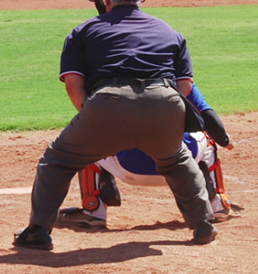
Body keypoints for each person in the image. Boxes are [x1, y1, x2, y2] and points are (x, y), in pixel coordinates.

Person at [13, 0, 218, 250]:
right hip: (167, 101)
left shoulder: (85, 30)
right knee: (176, 161)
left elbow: (74, 85)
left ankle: (37, 232)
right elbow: (184, 87)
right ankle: (203, 226)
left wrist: (95, 115)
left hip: (109, 102)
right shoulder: (168, 30)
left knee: (57, 161)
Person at [59, 83, 242, 228]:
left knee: (87, 139)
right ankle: (217, 204)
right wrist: (225, 141)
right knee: (207, 138)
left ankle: (94, 209)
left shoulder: (109, 86)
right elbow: (209, 118)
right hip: (180, 166)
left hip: (127, 170)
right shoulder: (179, 81)